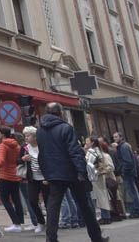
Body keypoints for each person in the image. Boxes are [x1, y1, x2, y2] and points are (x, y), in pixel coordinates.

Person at [37, 103, 108, 242]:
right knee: (84, 206)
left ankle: (51, 239)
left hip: (53, 174)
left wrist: (46, 173)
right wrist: (82, 172)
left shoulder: (40, 130)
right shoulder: (65, 128)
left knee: (53, 207)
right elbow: (75, 152)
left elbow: (42, 154)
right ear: (59, 113)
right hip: (71, 172)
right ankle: (96, 237)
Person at [0, 126, 24, 232]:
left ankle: (16, 223)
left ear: (2, 134)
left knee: (5, 199)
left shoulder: (3, 145)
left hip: (5, 175)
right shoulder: (16, 145)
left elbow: (2, 160)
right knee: (16, 199)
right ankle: (19, 222)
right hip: (16, 175)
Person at [20, 126, 46, 234]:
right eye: (25, 136)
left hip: (45, 179)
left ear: (35, 137)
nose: (26, 138)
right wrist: (22, 159)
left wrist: (48, 177)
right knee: (32, 201)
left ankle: (52, 223)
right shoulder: (25, 148)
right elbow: (17, 161)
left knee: (49, 203)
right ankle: (41, 222)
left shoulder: (43, 146)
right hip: (32, 179)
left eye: (28, 135)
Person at [111, 132, 139, 219]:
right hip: (129, 172)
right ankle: (137, 210)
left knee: (132, 192)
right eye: (114, 137)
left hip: (128, 173)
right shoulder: (122, 146)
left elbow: (127, 161)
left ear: (121, 137)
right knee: (132, 191)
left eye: (116, 137)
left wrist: (123, 171)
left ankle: (137, 210)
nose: (115, 139)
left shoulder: (124, 147)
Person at [85, 137, 112, 224]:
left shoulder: (91, 151)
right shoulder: (99, 151)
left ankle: (104, 216)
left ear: (92, 143)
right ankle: (106, 215)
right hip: (101, 175)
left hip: (95, 176)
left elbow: (88, 164)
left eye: (87, 142)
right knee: (103, 196)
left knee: (98, 197)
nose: (85, 143)